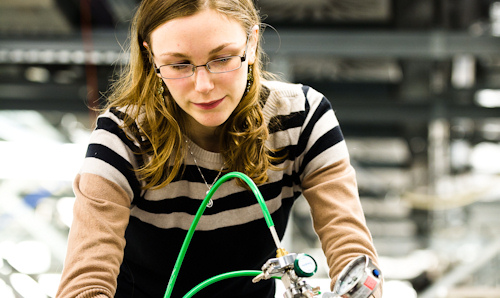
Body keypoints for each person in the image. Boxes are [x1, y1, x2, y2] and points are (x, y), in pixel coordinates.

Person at [56, 0, 382, 297]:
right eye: (179, 64)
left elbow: (351, 250)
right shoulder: (123, 137)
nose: (204, 86)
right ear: (150, 55)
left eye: (222, 58)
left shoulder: (303, 118)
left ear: (251, 43)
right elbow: (85, 283)